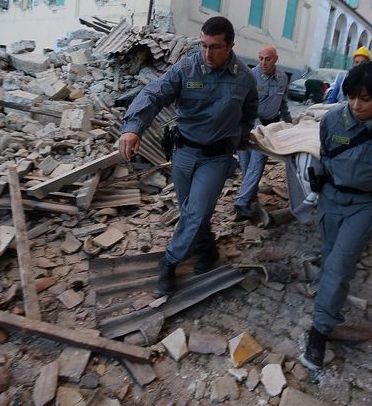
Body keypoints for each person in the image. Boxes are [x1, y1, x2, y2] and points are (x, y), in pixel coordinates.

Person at [118, 16, 259, 296]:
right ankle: (207, 250)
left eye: (216, 47)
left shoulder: (244, 77)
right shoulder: (187, 67)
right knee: (190, 211)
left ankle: (169, 262)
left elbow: (250, 110)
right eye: (204, 45)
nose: (208, 53)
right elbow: (154, 93)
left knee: (196, 211)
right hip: (183, 152)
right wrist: (134, 128)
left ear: (230, 45)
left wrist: (241, 136)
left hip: (216, 157)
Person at [300, 62, 372, 370]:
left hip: (364, 206)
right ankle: (331, 309)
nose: (357, 105)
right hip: (331, 200)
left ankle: (319, 332)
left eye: (365, 99)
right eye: (351, 97)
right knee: (331, 259)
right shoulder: (333, 120)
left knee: (339, 264)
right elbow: (323, 153)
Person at [235, 45, 292, 218]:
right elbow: (241, 103)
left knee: (257, 164)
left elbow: (283, 103)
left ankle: (241, 203)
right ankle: (250, 197)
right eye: (260, 58)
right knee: (246, 166)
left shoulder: (282, 78)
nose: (263, 62)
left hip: (268, 128)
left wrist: (289, 122)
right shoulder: (250, 76)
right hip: (247, 124)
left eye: (267, 59)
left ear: (276, 59)